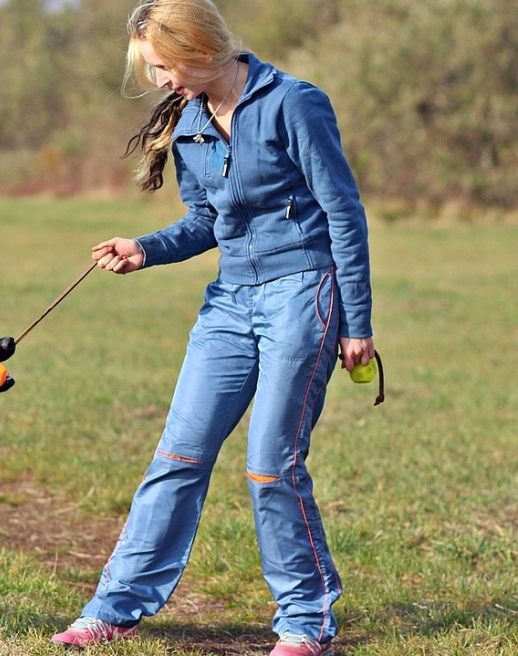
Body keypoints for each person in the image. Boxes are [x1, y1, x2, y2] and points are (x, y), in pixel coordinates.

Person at [48, 1, 375, 655]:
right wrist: (145, 248)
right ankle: (111, 609)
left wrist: (356, 323)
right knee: (177, 457)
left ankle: (304, 621)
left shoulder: (294, 104)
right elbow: (206, 222)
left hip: (301, 294)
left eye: (163, 66)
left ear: (197, 50)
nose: (160, 81)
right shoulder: (189, 121)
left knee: (272, 466)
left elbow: (343, 212)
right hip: (229, 302)